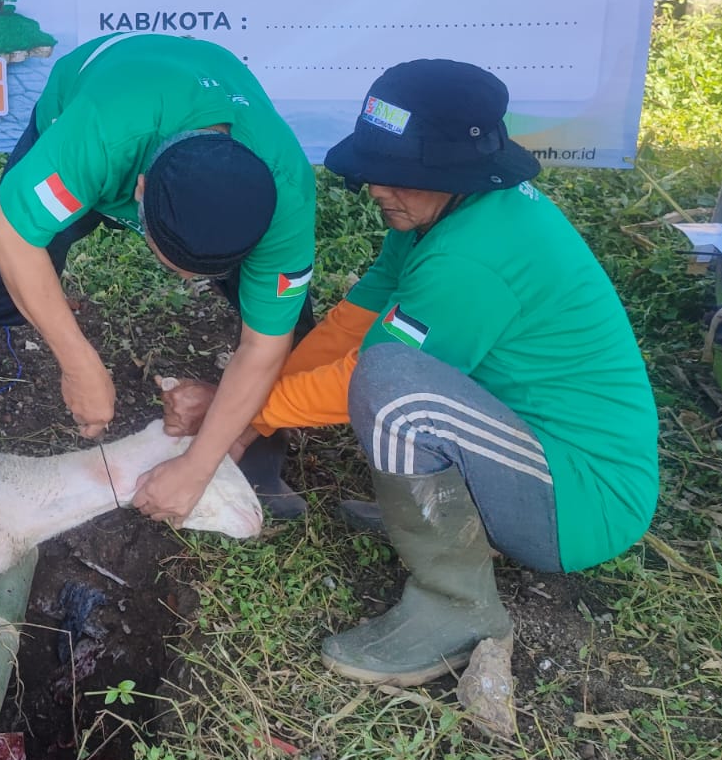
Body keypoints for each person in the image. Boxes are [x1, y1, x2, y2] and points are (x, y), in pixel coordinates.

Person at [223, 59, 658, 685]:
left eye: (400, 176)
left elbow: (362, 375)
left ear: (457, 172)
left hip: (582, 502)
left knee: (393, 386)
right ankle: (449, 513)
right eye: (377, 170)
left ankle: (459, 611)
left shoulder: (469, 258)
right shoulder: (447, 210)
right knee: (385, 363)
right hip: (537, 453)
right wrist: (256, 393)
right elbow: (358, 315)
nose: (378, 189)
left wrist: (240, 413)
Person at [0, 32, 317, 525]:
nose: (187, 283)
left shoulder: (285, 196)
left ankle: (254, 456)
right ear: (138, 194)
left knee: (291, 321)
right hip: (105, 97)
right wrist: (79, 363)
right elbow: (11, 238)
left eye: (202, 275)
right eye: (172, 265)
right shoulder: (97, 137)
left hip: (188, 117)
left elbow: (265, 346)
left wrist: (196, 465)